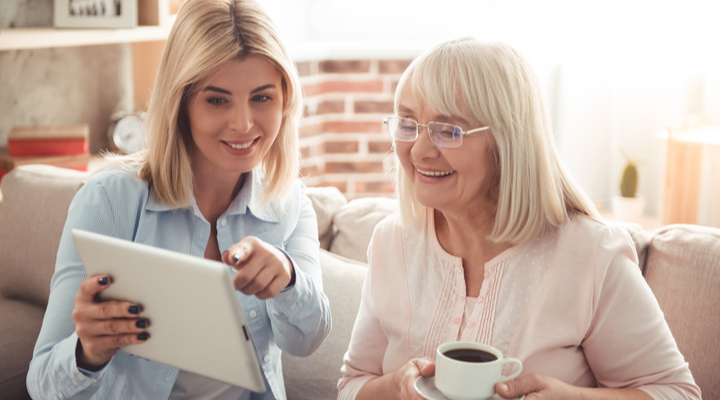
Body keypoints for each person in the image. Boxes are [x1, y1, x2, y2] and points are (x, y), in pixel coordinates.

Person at [338, 38, 701, 400]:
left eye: (448, 130)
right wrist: (396, 387)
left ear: (505, 142)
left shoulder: (590, 254)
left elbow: (678, 393)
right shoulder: (391, 241)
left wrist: (573, 399)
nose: (418, 150)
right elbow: (352, 385)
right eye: (408, 123)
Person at [26, 0, 331, 399]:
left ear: (285, 101)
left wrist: (288, 280)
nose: (243, 124)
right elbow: (41, 382)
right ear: (181, 103)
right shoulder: (108, 200)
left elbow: (304, 341)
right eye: (217, 100)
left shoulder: (288, 203)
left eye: (262, 98)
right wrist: (88, 353)